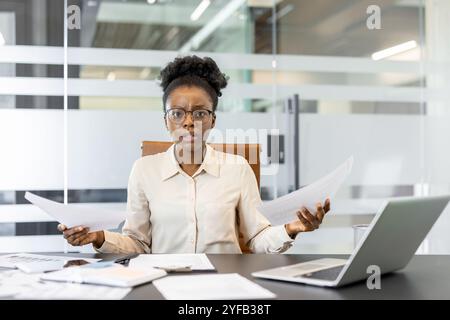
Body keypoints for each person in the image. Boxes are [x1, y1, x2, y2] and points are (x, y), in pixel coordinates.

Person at [58, 55, 330, 254]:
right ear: (166, 120)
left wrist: (291, 229)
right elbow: (137, 244)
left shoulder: (237, 168)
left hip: (223, 284)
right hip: (165, 284)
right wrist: (98, 237)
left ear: (212, 120)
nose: (188, 122)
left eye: (200, 113)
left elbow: (256, 238)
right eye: (177, 113)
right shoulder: (144, 170)